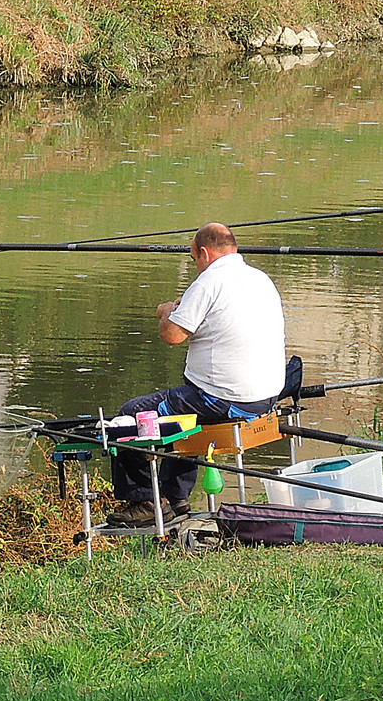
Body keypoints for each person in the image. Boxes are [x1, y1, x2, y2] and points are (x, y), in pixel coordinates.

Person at [106, 223, 287, 526]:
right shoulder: (261, 279)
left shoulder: (209, 281)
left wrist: (166, 312)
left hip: (225, 398)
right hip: (265, 397)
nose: (196, 266)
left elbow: (173, 335)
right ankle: (175, 498)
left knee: (132, 415)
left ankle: (145, 501)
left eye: (194, 259)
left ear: (203, 252)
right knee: (186, 412)